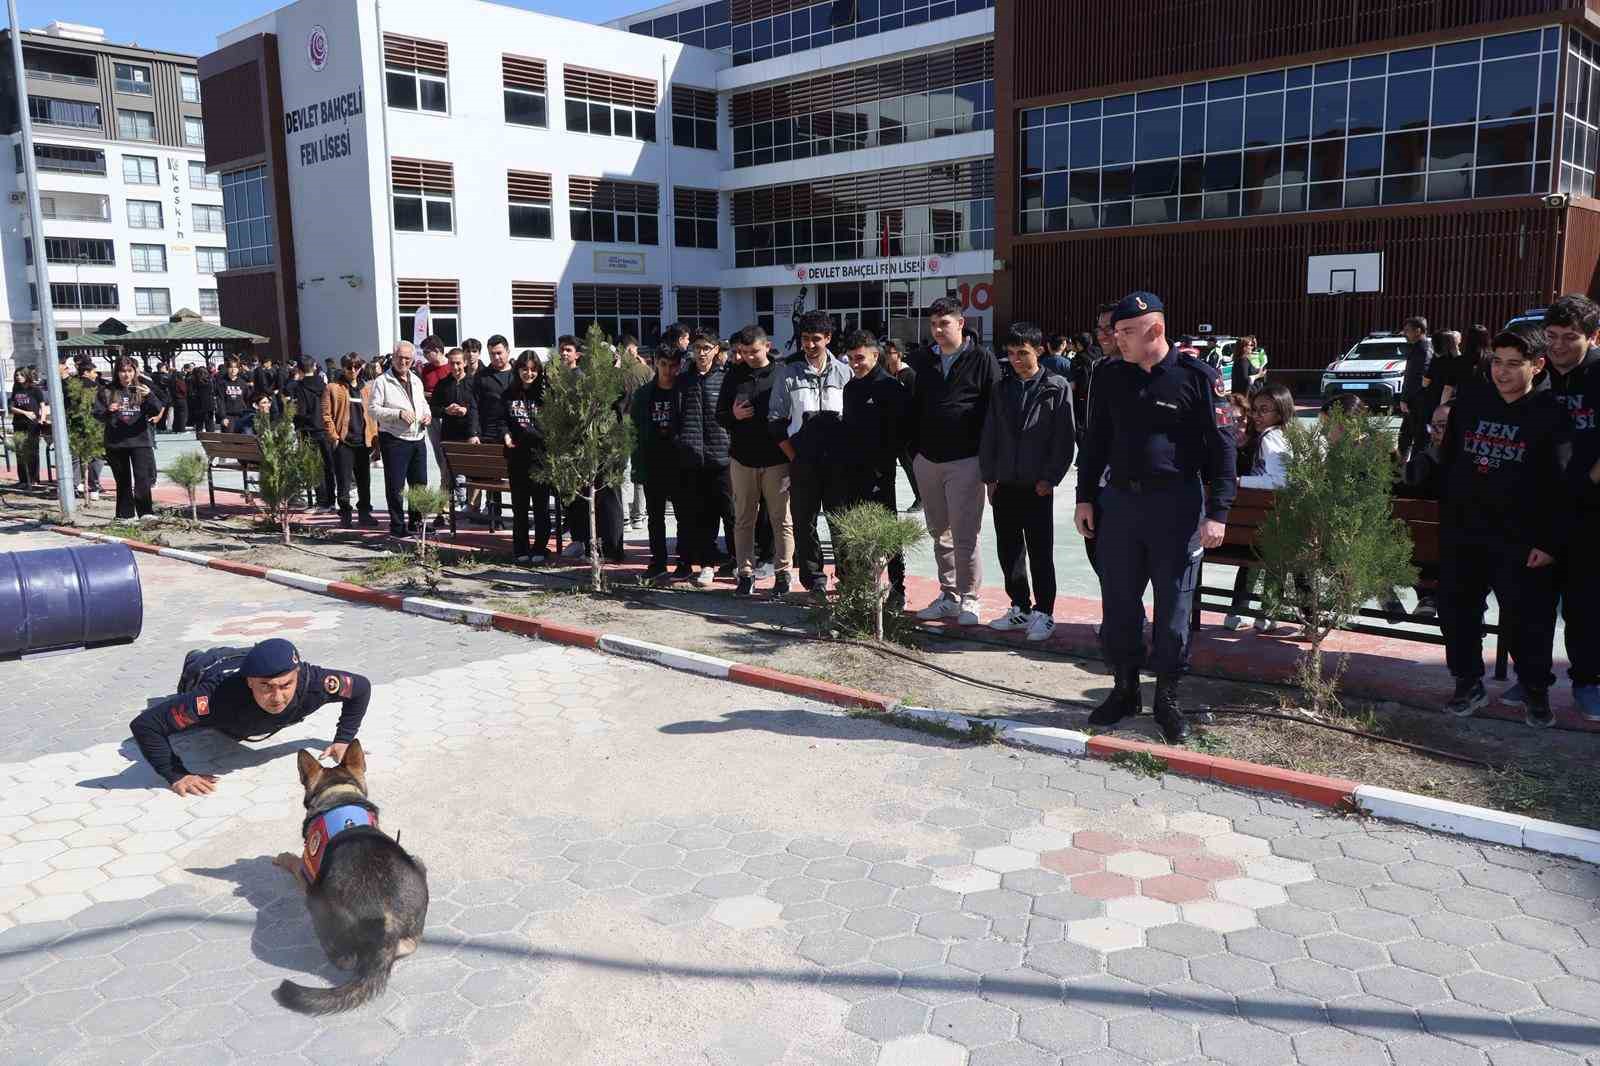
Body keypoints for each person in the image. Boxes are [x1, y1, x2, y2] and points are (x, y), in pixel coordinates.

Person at [1074, 292, 1238, 743]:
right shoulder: (1109, 375)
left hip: (1176, 508)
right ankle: (1125, 689)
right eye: (1115, 332)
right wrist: (1085, 497)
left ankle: (1166, 697)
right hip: (1120, 507)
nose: (1116, 340)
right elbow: (1094, 441)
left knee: (1173, 611)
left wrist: (1218, 511)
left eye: (1126, 333)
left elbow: (1223, 450)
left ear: (1155, 331)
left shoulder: (1196, 378)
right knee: (1120, 604)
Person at [1424, 331, 1569, 727]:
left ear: (1536, 366)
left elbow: (1562, 485)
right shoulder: (1472, 401)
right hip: (1466, 533)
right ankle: (1467, 682)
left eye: (1512, 364)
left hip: (1521, 540)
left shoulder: (1551, 411)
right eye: (1497, 362)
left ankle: (1536, 692)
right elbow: (1451, 461)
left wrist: (1549, 541)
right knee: (1457, 612)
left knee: (1528, 620)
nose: (1501, 372)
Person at [127, 639, 372, 795]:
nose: (277, 696)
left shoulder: (315, 682)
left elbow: (361, 688)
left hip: (249, 663)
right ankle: (195, 656)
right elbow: (145, 725)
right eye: (265, 686)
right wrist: (176, 774)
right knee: (196, 670)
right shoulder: (215, 697)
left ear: (297, 673)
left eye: (285, 685)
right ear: (249, 682)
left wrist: (343, 739)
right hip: (214, 667)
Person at [978, 322, 1076, 642]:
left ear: (1040, 350)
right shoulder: (1001, 388)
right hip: (1005, 482)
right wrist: (989, 478)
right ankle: (1019, 605)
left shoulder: (1056, 386)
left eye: (1023, 353)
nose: (1016, 360)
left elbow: (1064, 439)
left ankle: (1044, 613)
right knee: (1009, 550)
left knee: (1040, 551)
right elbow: (990, 433)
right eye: (1011, 354)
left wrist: (1050, 478)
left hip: (1037, 485)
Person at [907, 297, 1001, 624]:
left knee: (965, 533)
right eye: (933, 324)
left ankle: (970, 598)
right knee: (939, 531)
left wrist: (990, 466)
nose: (937, 330)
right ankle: (948, 595)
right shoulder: (921, 361)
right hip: (928, 460)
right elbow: (911, 407)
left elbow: (995, 413)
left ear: (961, 323)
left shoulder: (982, 360)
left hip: (966, 461)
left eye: (944, 323)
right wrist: (915, 453)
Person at [1539, 295, 1600, 719]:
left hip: (1589, 511)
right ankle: (1532, 680)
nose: (1558, 345)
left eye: (1570, 338)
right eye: (1552, 336)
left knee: (1584, 604)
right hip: (1539, 511)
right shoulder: (1538, 376)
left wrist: (1584, 483)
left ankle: (1588, 681)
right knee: (1535, 603)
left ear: (1592, 337)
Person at [769, 310, 853, 600]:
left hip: (838, 464)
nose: (810, 345)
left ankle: (847, 577)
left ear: (828, 338)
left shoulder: (845, 373)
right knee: (804, 524)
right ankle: (814, 579)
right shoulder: (788, 373)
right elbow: (776, 422)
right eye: (805, 339)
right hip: (803, 464)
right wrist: (795, 458)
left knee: (840, 523)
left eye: (816, 339)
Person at [718, 325, 794, 597]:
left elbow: (792, 414)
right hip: (743, 459)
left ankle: (783, 573)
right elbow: (720, 415)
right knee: (743, 519)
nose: (748, 356)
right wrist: (733, 415)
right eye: (743, 352)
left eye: (753, 351)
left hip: (776, 459)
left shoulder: (782, 374)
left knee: (781, 519)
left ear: (767, 346)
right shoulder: (734, 376)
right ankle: (746, 574)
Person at [840, 330, 913, 610]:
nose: (855, 364)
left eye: (860, 358)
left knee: (887, 533)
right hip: (852, 472)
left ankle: (897, 588)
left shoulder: (891, 388)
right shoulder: (851, 388)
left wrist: (882, 463)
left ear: (874, 354)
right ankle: (860, 588)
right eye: (850, 359)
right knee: (856, 534)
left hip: (881, 474)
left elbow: (901, 434)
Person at [1223, 383, 1295, 633]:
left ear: (1281, 410)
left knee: (1257, 551)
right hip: (1266, 528)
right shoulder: (1277, 436)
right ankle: (1268, 614)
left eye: (1264, 410)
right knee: (1273, 550)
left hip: (1246, 529)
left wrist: (1242, 481)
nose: (1256, 416)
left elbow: (1278, 479)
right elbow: (1282, 481)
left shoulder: (1270, 437)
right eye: (1255, 410)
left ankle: (1237, 612)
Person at [676, 330, 734, 587]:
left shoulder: (725, 379)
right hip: (692, 460)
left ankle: (737, 561)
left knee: (731, 514)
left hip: (722, 458)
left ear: (716, 351)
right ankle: (707, 564)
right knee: (703, 517)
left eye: (707, 347)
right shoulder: (683, 381)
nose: (701, 352)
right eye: (698, 347)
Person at [632, 345, 688, 582]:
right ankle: (658, 561)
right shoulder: (644, 394)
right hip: (652, 462)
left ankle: (684, 561)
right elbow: (633, 432)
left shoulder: (685, 390)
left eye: (673, 365)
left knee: (684, 516)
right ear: (655, 363)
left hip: (680, 463)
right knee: (655, 517)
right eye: (663, 364)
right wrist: (637, 465)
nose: (668, 370)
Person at [368, 340, 432, 538]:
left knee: (419, 484)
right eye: (400, 357)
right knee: (396, 486)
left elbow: (423, 403)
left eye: (407, 358)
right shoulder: (382, 381)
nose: (403, 361)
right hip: (395, 439)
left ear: (413, 360)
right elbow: (373, 409)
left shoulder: (416, 379)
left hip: (418, 437)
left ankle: (416, 522)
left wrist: (427, 415)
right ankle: (397, 526)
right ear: (393, 358)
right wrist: (398, 414)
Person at [94, 357, 165, 520]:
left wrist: (150, 396)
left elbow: (157, 409)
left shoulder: (142, 388)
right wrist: (108, 411)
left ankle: (146, 512)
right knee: (123, 480)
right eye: (122, 371)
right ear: (117, 373)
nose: (126, 375)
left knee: (143, 479)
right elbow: (97, 414)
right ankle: (125, 515)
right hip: (116, 442)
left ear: (135, 371)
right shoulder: (107, 390)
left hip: (140, 440)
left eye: (129, 371)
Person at [504, 350, 552, 563]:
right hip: (517, 457)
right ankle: (520, 548)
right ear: (518, 370)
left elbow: (553, 425)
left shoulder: (546, 395)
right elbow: (500, 420)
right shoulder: (509, 394)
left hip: (540, 458)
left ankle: (540, 548)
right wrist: (504, 435)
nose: (529, 373)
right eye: (525, 369)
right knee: (520, 506)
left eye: (533, 370)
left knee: (540, 506)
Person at [321, 353, 378, 528]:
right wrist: (334, 437)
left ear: (360, 367)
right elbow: (325, 415)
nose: (353, 370)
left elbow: (372, 416)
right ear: (343, 367)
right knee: (344, 481)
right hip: (344, 442)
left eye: (356, 367)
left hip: (363, 442)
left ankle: (364, 513)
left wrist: (375, 441)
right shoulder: (333, 387)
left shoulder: (366, 389)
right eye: (349, 367)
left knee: (364, 481)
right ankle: (345, 513)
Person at [471, 335, 517, 525]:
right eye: (492, 354)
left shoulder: (517, 374)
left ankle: (519, 515)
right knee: (493, 478)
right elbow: (473, 406)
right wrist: (474, 433)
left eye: (499, 353)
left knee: (517, 476)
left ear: (507, 351)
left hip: (515, 433)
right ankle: (494, 517)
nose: (496, 357)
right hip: (489, 433)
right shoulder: (482, 377)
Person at [287, 355, 336, 511]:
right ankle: (331, 501)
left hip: (308, 430)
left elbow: (300, 411)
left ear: (299, 370)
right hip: (324, 428)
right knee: (328, 465)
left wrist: (295, 420)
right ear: (315, 366)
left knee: (313, 466)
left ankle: (321, 501)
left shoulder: (299, 387)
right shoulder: (324, 385)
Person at [881, 338, 921, 512]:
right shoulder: (885, 372)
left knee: (910, 466)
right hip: (890, 429)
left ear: (900, 354)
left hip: (906, 431)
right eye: (886, 352)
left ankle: (921, 497)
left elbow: (915, 403)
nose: (888, 356)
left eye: (891, 352)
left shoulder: (909, 375)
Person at [1396, 316, 1433, 462]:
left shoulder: (1423, 349)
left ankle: (1411, 471)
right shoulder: (1418, 347)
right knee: (1406, 437)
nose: (1405, 333)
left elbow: (1416, 378)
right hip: (1415, 401)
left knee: (1415, 438)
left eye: (1407, 330)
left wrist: (1405, 399)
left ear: (1418, 331)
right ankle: (1403, 468)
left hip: (1416, 402)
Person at [9, 367, 44, 489]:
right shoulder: (16, 389)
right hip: (19, 423)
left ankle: (34, 479)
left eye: (21, 375)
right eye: (17, 375)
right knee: (20, 451)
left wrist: (42, 418)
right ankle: (23, 480)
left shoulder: (34, 389)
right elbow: (11, 407)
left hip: (32, 425)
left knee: (33, 451)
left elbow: (42, 405)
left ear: (26, 375)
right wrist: (25, 413)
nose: (18, 377)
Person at [217, 357, 251, 432]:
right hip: (228, 416)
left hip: (241, 415)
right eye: (231, 367)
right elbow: (220, 401)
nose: (233, 370)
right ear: (227, 368)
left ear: (238, 369)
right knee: (229, 439)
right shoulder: (222, 383)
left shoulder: (242, 383)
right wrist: (223, 417)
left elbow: (248, 398)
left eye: (235, 368)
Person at [188, 364, 216, 433]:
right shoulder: (210, 380)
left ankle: (199, 435)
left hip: (198, 403)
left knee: (199, 422)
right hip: (209, 403)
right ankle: (211, 435)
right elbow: (214, 391)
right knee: (209, 421)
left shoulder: (193, 381)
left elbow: (191, 393)